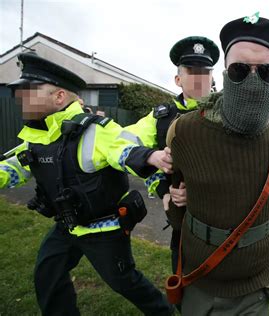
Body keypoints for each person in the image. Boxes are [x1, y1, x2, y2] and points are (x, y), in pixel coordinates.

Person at [0, 53, 172, 315]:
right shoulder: (37, 136)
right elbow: (14, 166)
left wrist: (151, 156)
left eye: (28, 92)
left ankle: (163, 311)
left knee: (124, 281)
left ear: (58, 97)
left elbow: (123, 149)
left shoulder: (96, 130)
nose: (19, 98)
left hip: (104, 229)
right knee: (48, 274)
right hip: (66, 227)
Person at [164, 13, 269, 315]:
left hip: (254, 284)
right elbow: (176, 194)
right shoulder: (183, 131)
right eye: (238, 69)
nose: (252, 81)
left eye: (268, 72)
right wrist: (174, 201)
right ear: (223, 74)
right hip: (199, 279)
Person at [109, 36, 219, 274]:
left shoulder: (227, 114)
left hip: (222, 220)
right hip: (181, 222)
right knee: (181, 280)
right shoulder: (160, 117)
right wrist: (154, 166)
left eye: (205, 71)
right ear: (178, 80)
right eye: (192, 71)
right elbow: (117, 146)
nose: (200, 77)